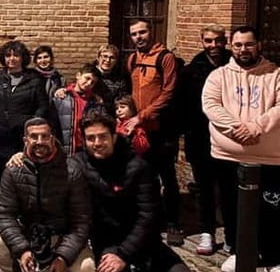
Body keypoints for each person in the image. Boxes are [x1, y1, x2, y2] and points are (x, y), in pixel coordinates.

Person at [80, 111, 195, 272]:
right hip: (107, 242)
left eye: (103, 136)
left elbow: (149, 216)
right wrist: (21, 158)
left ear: (114, 136)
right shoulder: (78, 164)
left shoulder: (139, 167)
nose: (97, 142)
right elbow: (51, 167)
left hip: (142, 241)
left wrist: (124, 254)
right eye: (91, 138)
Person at [0, 118, 95, 272]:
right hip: (29, 234)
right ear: (25, 140)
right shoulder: (13, 170)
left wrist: (62, 258)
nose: (40, 141)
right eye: (34, 137)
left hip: (61, 235)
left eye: (45, 136)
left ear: (52, 139)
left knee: (86, 271)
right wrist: (22, 250)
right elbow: (4, 215)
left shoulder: (72, 170)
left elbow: (81, 221)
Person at [202, 26, 280, 272]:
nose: (243, 50)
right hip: (229, 156)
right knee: (232, 206)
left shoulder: (275, 74)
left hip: (269, 156)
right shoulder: (219, 76)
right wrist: (237, 129)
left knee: (272, 208)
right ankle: (238, 250)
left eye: (248, 44)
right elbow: (211, 105)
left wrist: (257, 127)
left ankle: (273, 257)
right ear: (231, 47)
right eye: (237, 45)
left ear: (258, 45)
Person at [124, 18, 182, 246]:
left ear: (151, 31)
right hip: (140, 130)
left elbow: (168, 92)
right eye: (134, 34)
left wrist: (143, 115)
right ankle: (149, 220)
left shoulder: (165, 57)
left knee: (167, 177)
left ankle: (174, 223)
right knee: (142, 175)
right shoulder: (133, 59)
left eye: (142, 32)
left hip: (161, 129)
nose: (139, 37)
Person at [177, 24, 232, 255]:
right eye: (209, 41)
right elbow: (184, 107)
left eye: (218, 41)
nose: (214, 46)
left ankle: (232, 235)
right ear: (202, 41)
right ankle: (206, 231)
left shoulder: (234, 65)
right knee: (205, 188)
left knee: (230, 188)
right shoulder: (191, 71)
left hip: (230, 138)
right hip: (201, 138)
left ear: (225, 41)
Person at [0, 40, 49, 222]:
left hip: (20, 142)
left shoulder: (34, 80)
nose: (12, 59)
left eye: (16, 55)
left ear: (23, 58)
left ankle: (19, 221)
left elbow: (42, 107)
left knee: (21, 182)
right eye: (8, 55)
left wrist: (30, 128)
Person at [52, 63, 105, 157]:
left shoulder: (95, 102)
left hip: (86, 148)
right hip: (65, 148)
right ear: (78, 75)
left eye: (92, 82)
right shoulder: (62, 97)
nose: (89, 83)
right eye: (87, 78)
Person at [94, 44, 131, 112]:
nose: (108, 60)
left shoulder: (120, 80)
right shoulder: (89, 75)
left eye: (112, 58)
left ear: (116, 61)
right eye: (105, 56)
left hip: (110, 117)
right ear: (98, 58)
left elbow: (122, 100)